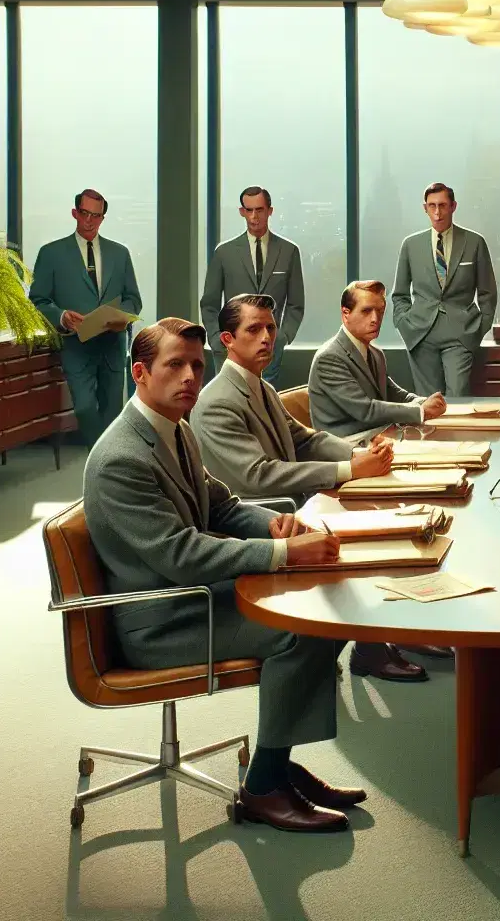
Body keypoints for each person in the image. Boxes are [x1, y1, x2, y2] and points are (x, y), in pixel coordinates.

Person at [82, 316, 363, 834]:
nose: (191, 376)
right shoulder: (122, 458)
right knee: (302, 629)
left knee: (325, 606)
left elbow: (223, 506)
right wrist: (282, 554)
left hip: (190, 597)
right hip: (159, 622)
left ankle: (277, 764)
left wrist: (278, 526)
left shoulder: (175, 428)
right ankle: (263, 789)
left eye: (196, 364)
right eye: (175, 365)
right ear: (140, 372)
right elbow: (180, 554)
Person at [191, 293, 433, 683]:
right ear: (227, 341)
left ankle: (389, 632)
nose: (267, 337)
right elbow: (257, 476)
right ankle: (367, 647)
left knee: (380, 514)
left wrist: (360, 454)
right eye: (254, 329)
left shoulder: (262, 387)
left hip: (292, 502)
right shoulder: (217, 401)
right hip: (261, 514)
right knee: (358, 530)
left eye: (270, 327)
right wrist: (348, 469)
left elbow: (305, 440)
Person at [28, 188, 143, 446]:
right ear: (74, 213)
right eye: (84, 213)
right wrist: (61, 316)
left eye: (96, 215)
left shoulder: (119, 253)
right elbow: (37, 300)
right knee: (84, 408)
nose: (89, 220)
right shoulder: (51, 254)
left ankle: (109, 461)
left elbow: (133, 299)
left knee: (114, 413)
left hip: (112, 345)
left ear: (103, 218)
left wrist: (122, 316)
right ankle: (100, 453)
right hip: (76, 345)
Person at [391, 182, 499, 397]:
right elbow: (400, 294)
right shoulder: (410, 245)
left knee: (458, 397)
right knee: (428, 403)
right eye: (432, 206)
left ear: (453, 206)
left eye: (442, 205)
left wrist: (478, 329)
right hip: (421, 333)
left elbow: (488, 292)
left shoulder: (474, 242)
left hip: (460, 334)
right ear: (425, 208)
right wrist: (404, 324)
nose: (437, 212)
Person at [311, 280, 446, 437]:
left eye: (380, 311)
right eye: (366, 311)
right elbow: (366, 410)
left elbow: (396, 394)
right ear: (345, 314)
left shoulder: (376, 354)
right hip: (348, 446)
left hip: (378, 436)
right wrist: (421, 410)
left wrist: (425, 402)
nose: (375, 319)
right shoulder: (329, 358)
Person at [199, 186, 305, 386]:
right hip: (230, 348)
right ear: (242, 212)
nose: (254, 216)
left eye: (259, 210)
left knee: (265, 404)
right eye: (249, 210)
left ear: (269, 211)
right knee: (229, 403)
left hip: (269, 346)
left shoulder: (289, 252)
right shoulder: (224, 253)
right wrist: (216, 340)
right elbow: (209, 303)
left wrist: (281, 338)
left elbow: (296, 303)